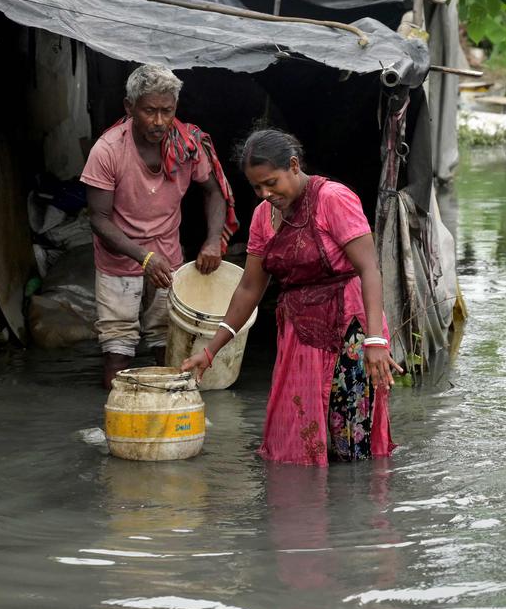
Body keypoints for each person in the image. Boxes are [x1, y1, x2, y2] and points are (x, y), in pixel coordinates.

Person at [181, 128, 400, 465]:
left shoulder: (333, 199)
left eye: (271, 183)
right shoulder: (262, 218)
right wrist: (210, 351)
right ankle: (302, 511)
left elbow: (369, 269)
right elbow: (250, 288)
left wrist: (374, 341)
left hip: (351, 330)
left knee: (351, 442)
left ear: (294, 166)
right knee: (295, 438)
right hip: (301, 333)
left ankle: (358, 512)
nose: (265, 193)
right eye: (257, 187)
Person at [81, 65, 237, 388]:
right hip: (118, 262)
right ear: (129, 107)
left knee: (169, 345)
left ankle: (168, 420)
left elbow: (213, 193)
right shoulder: (108, 150)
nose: (159, 121)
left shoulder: (187, 145)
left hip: (169, 259)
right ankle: (119, 421)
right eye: (149, 111)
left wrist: (211, 241)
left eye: (167, 111)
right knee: (117, 349)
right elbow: (98, 218)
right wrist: (143, 257)